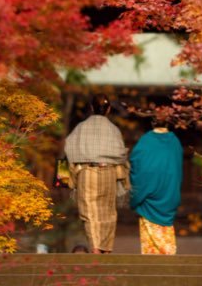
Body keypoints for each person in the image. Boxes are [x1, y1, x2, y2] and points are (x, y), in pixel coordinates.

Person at [65, 94, 128, 254]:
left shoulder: (81, 128)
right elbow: (121, 154)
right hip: (109, 172)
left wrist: (65, 178)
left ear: (92, 108)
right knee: (108, 211)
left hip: (87, 172)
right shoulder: (114, 130)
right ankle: (106, 248)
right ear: (108, 110)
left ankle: (95, 248)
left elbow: (68, 150)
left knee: (90, 212)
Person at [130, 118, 183, 255]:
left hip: (148, 199)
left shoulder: (145, 141)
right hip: (168, 195)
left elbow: (137, 168)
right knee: (167, 245)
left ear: (152, 123)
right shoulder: (175, 142)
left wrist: (135, 193)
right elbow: (176, 170)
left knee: (150, 248)